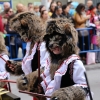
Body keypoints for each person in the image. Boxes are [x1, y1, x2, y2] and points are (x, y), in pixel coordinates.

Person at [15, 18, 90, 100]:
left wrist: (66, 94)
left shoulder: (74, 63)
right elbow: (47, 80)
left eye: (57, 40)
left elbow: (84, 87)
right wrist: (36, 86)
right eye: (49, 40)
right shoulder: (51, 61)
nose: (52, 45)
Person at [5, 12, 49, 100]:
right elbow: (31, 64)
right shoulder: (32, 43)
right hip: (37, 90)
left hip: (47, 89)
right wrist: (17, 67)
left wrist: (28, 79)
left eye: (23, 33)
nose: (22, 37)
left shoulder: (44, 43)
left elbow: (47, 68)